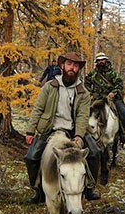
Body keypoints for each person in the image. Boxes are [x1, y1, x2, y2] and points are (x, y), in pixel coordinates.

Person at [24, 51, 101, 204]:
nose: (72, 68)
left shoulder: (83, 93)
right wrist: (30, 131)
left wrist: (79, 135)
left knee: (94, 153)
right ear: (62, 65)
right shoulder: (49, 87)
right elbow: (38, 109)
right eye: (69, 64)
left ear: (79, 69)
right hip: (49, 129)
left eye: (76, 65)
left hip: (73, 130)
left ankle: (89, 188)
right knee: (31, 157)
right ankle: (38, 190)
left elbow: (82, 116)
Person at [84, 52, 125, 144]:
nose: (101, 61)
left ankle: (122, 134)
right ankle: (85, 134)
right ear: (96, 62)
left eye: (102, 59)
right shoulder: (93, 73)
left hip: (112, 98)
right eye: (99, 60)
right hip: (97, 97)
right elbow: (87, 83)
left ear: (106, 60)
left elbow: (119, 84)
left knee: (123, 113)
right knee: (85, 112)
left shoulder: (113, 72)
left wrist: (113, 92)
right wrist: (90, 92)